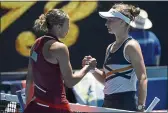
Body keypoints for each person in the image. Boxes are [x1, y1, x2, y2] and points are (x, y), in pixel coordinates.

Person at [24, 9, 97, 113]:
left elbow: (29, 78)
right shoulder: (60, 48)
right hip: (56, 108)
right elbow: (70, 82)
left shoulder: (36, 44)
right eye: (67, 25)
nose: (68, 29)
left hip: (36, 106)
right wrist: (88, 67)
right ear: (58, 27)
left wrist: (28, 105)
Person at [83, 3, 148, 112]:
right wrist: (92, 69)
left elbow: (143, 78)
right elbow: (106, 80)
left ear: (123, 22)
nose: (106, 23)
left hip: (125, 105)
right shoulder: (109, 48)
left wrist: (141, 106)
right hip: (107, 103)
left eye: (110, 20)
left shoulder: (131, 46)